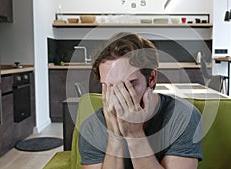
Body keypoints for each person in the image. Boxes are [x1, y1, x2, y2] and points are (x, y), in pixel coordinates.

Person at [78, 32, 203, 169]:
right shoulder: (91, 127)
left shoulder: (184, 117)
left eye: (129, 84)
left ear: (152, 78)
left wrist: (134, 134)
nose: (119, 96)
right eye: (109, 86)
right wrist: (115, 136)